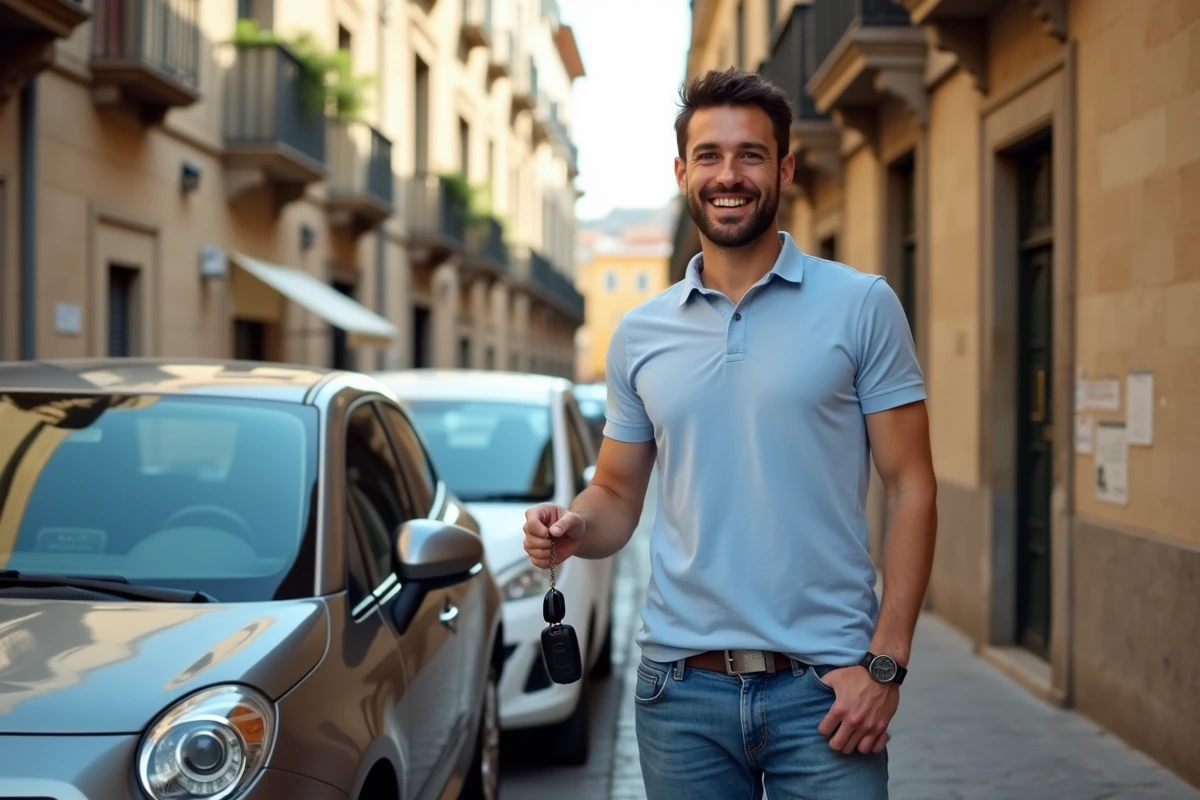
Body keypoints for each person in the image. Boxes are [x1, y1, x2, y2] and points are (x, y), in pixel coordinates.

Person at [523, 67, 937, 799]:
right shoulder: (639, 334)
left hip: (827, 693)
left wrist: (886, 666)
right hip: (681, 698)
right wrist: (574, 524)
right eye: (709, 155)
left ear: (783, 169)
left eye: (750, 154)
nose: (729, 174)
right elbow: (618, 491)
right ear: (683, 172)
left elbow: (911, 486)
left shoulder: (862, 305)